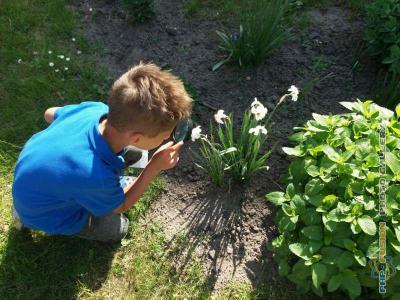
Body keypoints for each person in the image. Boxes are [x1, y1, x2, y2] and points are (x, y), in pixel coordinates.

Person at [11, 62, 193, 243]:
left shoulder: (95, 110)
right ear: (137, 138)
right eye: (164, 137)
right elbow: (122, 205)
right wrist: (153, 167)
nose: (167, 139)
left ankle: (100, 188)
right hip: (44, 214)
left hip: (32, 182)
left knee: (133, 154)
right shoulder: (95, 175)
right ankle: (23, 218)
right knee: (118, 229)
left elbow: (49, 113)